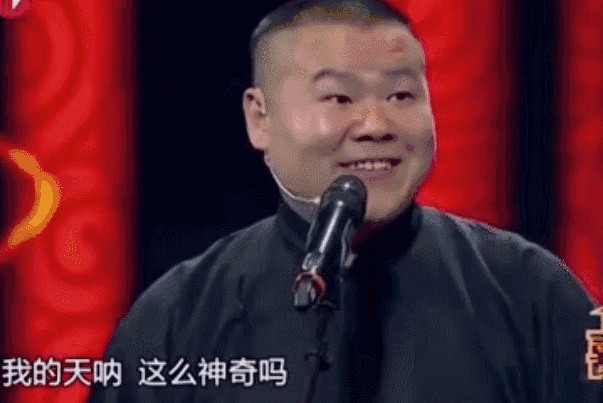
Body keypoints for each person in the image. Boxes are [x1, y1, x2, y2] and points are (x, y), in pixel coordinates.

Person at [88, 0, 603, 402]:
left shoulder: (532, 292)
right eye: (339, 98)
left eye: (401, 96)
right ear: (259, 118)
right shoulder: (178, 317)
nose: (376, 125)